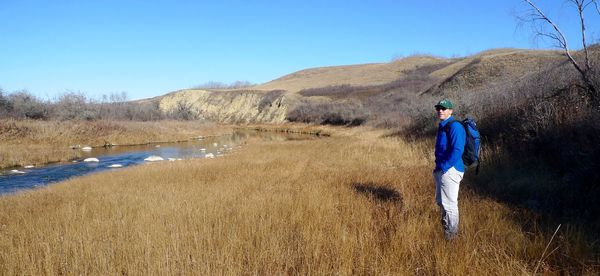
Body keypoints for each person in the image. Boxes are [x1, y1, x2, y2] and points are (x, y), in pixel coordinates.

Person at [433, 99, 466, 240]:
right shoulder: (443, 126)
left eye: (444, 108)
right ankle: (447, 230)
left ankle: (452, 237)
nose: (440, 110)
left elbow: (458, 149)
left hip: (451, 170)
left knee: (450, 204)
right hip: (442, 169)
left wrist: (445, 167)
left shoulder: (455, 126)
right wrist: (438, 169)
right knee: (442, 202)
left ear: (450, 111)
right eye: (439, 108)